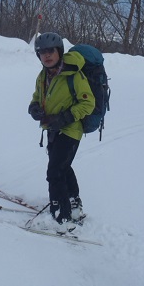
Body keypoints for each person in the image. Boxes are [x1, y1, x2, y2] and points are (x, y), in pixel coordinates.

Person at [28, 32, 95, 231]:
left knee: (54, 172)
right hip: (52, 129)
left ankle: (61, 215)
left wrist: (64, 118)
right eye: (42, 52)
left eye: (51, 51)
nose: (47, 55)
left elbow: (88, 103)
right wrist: (33, 107)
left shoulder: (73, 74)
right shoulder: (43, 76)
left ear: (59, 52)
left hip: (71, 129)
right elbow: (37, 97)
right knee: (63, 167)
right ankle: (74, 204)